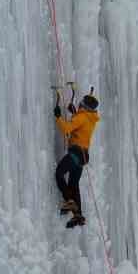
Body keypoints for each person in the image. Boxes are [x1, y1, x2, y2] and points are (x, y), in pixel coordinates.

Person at [53, 91, 98, 228]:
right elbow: (80, 124)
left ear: (84, 105)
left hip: (76, 153)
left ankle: (69, 200)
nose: (79, 103)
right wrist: (75, 112)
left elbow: (67, 129)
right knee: (74, 183)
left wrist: (58, 116)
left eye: (82, 103)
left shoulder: (82, 117)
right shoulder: (91, 118)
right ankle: (78, 215)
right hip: (83, 157)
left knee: (59, 173)